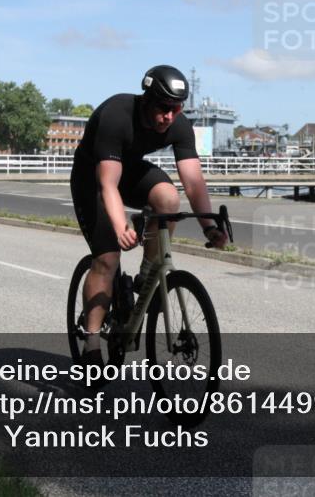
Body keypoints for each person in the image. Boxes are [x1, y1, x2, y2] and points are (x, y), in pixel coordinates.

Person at [69, 65, 228, 366]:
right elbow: (107, 184)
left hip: (129, 171)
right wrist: (120, 225)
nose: (169, 116)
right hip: (92, 179)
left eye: (177, 108)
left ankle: (146, 276)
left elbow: (193, 182)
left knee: (169, 198)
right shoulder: (116, 116)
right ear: (146, 99)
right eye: (164, 108)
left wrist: (209, 227)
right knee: (108, 258)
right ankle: (90, 337)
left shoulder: (177, 124)